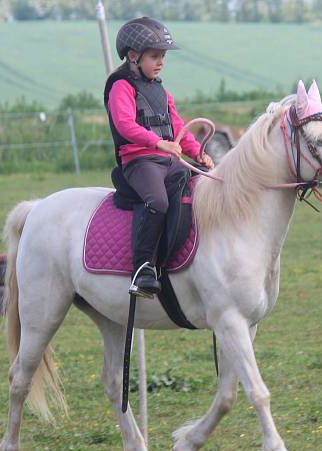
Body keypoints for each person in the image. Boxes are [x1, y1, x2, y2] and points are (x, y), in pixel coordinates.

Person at [104, 17, 213, 297]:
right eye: (154, 56)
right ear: (132, 56)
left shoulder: (162, 91)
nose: (161, 62)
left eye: (162, 56)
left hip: (167, 162)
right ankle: (143, 268)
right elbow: (124, 124)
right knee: (158, 202)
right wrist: (159, 144)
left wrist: (198, 153)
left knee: (198, 190)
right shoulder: (121, 86)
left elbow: (179, 128)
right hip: (139, 161)